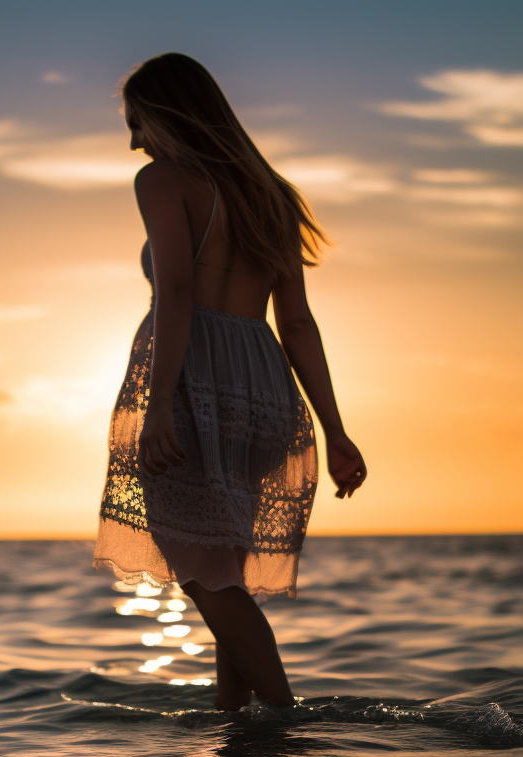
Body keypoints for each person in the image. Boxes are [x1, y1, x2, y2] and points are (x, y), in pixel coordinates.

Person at [94, 53, 366, 711]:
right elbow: (296, 322)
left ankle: (283, 724)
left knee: (206, 579)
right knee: (224, 572)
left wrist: (158, 408)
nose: (133, 139)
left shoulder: (162, 179)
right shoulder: (270, 193)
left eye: (137, 121)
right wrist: (336, 432)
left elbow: (180, 289)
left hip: (197, 387)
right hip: (267, 396)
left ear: (165, 113)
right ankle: (236, 728)